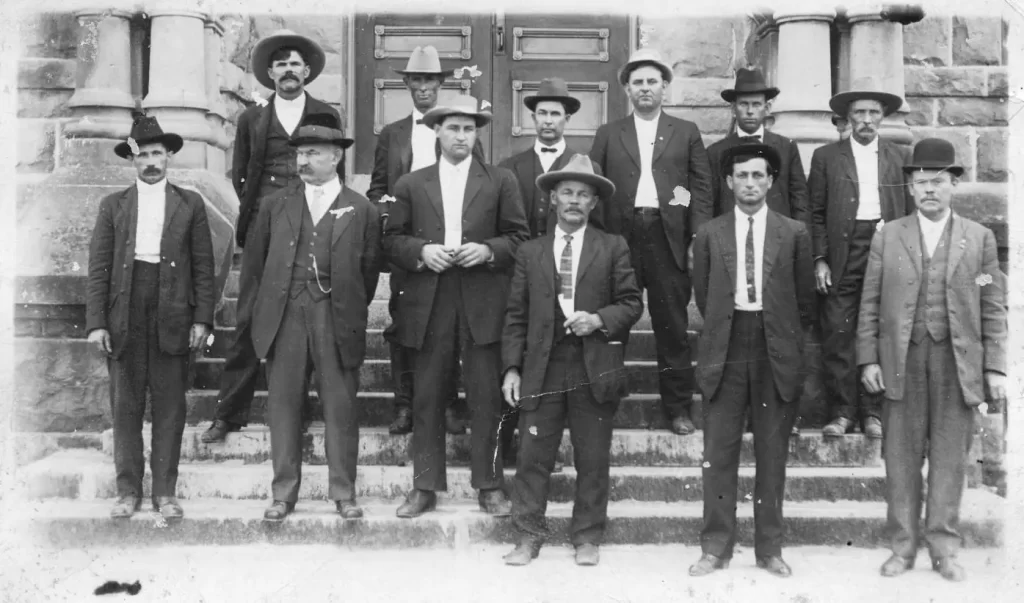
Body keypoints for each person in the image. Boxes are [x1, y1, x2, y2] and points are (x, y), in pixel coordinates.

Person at [856, 138, 1007, 582]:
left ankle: (943, 547)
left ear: (954, 185)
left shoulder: (979, 240)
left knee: (949, 458)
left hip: (957, 363)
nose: (928, 191)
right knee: (900, 458)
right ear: (909, 187)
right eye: (920, 183)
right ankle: (901, 548)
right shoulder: (889, 236)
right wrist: (868, 360)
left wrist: (995, 366)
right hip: (901, 359)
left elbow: (992, 302)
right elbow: (869, 303)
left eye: (937, 182)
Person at [383, 95, 529, 519]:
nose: (461, 136)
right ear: (437, 132)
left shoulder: (500, 181)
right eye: (453, 128)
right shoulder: (412, 184)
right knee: (428, 394)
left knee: (487, 396)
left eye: (468, 129)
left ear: (476, 134)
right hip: (430, 299)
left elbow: (520, 238)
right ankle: (424, 485)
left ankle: (490, 484)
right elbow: (391, 241)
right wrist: (421, 252)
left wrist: (487, 250)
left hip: (482, 299)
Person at [501, 154, 642, 567]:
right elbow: (515, 315)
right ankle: (528, 536)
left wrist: (599, 319)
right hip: (542, 367)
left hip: (592, 366)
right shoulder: (530, 252)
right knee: (532, 457)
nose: (575, 200)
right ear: (552, 199)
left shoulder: (612, 246)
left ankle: (587, 537)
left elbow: (632, 303)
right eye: (567, 192)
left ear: (594, 202)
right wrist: (512, 367)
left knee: (593, 457)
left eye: (584, 193)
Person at [202, 29, 341, 443]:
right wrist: (255, 218)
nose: (288, 71)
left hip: (312, 220)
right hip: (265, 223)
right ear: (270, 72)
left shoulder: (326, 115)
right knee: (248, 317)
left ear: (307, 71)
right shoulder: (252, 118)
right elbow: (243, 173)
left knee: (308, 317)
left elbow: (336, 172)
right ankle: (229, 412)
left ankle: (299, 407)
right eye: (280, 65)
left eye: (295, 64)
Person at [244, 113, 380, 522]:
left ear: (336, 157)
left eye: (312, 153)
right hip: (285, 317)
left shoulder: (362, 210)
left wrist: (342, 304)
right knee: (283, 406)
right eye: (300, 153)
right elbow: (255, 267)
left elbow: (368, 272)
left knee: (340, 406)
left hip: (335, 317)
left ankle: (344, 492)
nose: (302, 161)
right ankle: (283, 493)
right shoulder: (273, 205)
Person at [689, 144, 815, 578]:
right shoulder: (709, 233)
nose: (749, 184)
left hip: (774, 345)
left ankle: (769, 549)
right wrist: (729, 327)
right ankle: (715, 547)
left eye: (758, 176)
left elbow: (803, 301)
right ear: (728, 182)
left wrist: (777, 332)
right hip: (726, 345)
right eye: (741, 176)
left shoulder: (794, 232)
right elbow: (704, 296)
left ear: (770, 181)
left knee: (771, 454)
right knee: (718, 453)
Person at [86, 112, 215, 520]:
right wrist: (96, 322)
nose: (151, 162)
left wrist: (202, 319)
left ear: (169, 155)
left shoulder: (190, 203)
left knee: (170, 406)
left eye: (158, 153)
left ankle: (164, 492)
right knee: (125, 405)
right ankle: (128, 491)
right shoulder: (114, 205)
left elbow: (203, 266)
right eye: (143, 156)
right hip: (126, 307)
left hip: (173, 307)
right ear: (133, 160)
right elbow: (99, 267)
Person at [589, 48, 713, 436]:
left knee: (672, 326)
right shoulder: (609, 133)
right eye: (638, 82)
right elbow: (595, 185)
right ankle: (604, 399)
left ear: (664, 88)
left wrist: (693, 233)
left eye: (652, 82)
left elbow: (698, 188)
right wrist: (599, 241)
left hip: (666, 236)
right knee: (612, 322)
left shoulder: (685, 131)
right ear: (627, 89)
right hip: (620, 238)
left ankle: (677, 408)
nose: (645, 88)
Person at [367, 45, 472, 437]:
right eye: (416, 80)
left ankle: (447, 404)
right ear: (407, 84)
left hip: (453, 244)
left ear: (440, 84)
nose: (423, 87)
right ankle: (405, 405)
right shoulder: (392, 134)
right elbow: (378, 189)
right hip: (408, 245)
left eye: (430, 80)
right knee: (404, 324)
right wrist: (391, 220)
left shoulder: (457, 129)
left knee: (449, 326)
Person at [808, 79, 913, 439]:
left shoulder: (900, 157)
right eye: (859, 113)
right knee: (838, 328)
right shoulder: (826, 157)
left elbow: (912, 211)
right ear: (848, 118)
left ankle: (873, 412)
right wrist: (820, 258)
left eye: (873, 112)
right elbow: (816, 212)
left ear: (883, 117)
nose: (866, 119)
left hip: (887, 246)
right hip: (843, 249)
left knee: (882, 324)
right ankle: (842, 411)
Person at [496, 76, 585, 467]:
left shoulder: (584, 166)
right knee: (520, 357)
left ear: (567, 120)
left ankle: (552, 447)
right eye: (542, 113)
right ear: (532, 118)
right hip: (522, 275)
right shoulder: (510, 166)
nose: (549, 121)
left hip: (567, 279)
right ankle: (513, 444)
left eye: (556, 114)